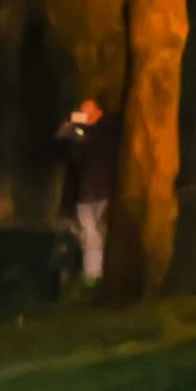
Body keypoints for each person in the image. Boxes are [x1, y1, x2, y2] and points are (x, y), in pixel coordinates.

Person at [56, 98, 116, 288]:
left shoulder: (104, 132)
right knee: (90, 236)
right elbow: (65, 146)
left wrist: (81, 132)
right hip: (84, 194)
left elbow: (95, 148)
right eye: (82, 111)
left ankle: (95, 277)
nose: (85, 115)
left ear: (98, 113)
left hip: (103, 192)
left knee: (97, 235)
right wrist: (72, 129)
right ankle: (92, 276)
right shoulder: (78, 134)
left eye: (88, 111)